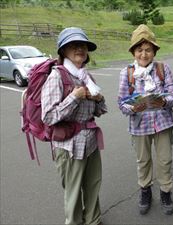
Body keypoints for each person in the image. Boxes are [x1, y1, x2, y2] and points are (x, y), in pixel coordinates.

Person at [41, 27, 107, 225]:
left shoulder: (87, 77)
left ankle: (93, 221)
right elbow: (49, 116)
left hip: (91, 142)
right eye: (73, 45)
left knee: (93, 184)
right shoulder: (56, 77)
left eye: (83, 45)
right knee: (73, 191)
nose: (80, 48)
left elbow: (100, 111)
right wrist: (74, 98)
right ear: (63, 50)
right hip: (68, 146)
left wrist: (99, 98)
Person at [117, 24, 173, 215]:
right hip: (139, 126)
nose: (144, 54)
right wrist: (133, 108)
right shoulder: (126, 73)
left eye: (148, 50)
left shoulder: (163, 69)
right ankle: (145, 191)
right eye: (139, 49)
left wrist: (163, 102)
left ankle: (166, 192)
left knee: (165, 161)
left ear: (154, 51)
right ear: (133, 52)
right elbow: (121, 103)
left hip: (163, 123)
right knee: (143, 161)